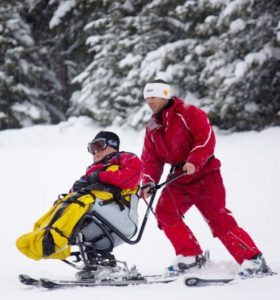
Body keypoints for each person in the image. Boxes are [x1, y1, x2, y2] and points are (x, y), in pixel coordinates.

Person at [141, 79, 271, 276]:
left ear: (165, 95)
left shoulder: (189, 113)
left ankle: (252, 260)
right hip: (178, 177)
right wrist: (148, 182)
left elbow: (206, 138)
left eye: (153, 97)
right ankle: (190, 257)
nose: (149, 101)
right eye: (147, 98)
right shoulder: (152, 127)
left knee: (218, 218)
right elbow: (151, 160)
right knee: (165, 212)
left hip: (205, 174)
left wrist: (195, 160)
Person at [71, 130, 142, 251]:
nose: (96, 152)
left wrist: (100, 176)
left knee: (81, 203)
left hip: (118, 213)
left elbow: (131, 175)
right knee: (66, 205)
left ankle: (44, 244)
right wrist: (76, 189)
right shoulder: (91, 170)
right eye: (92, 149)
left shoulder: (125, 158)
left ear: (112, 145)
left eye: (99, 146)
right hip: (95, 213)